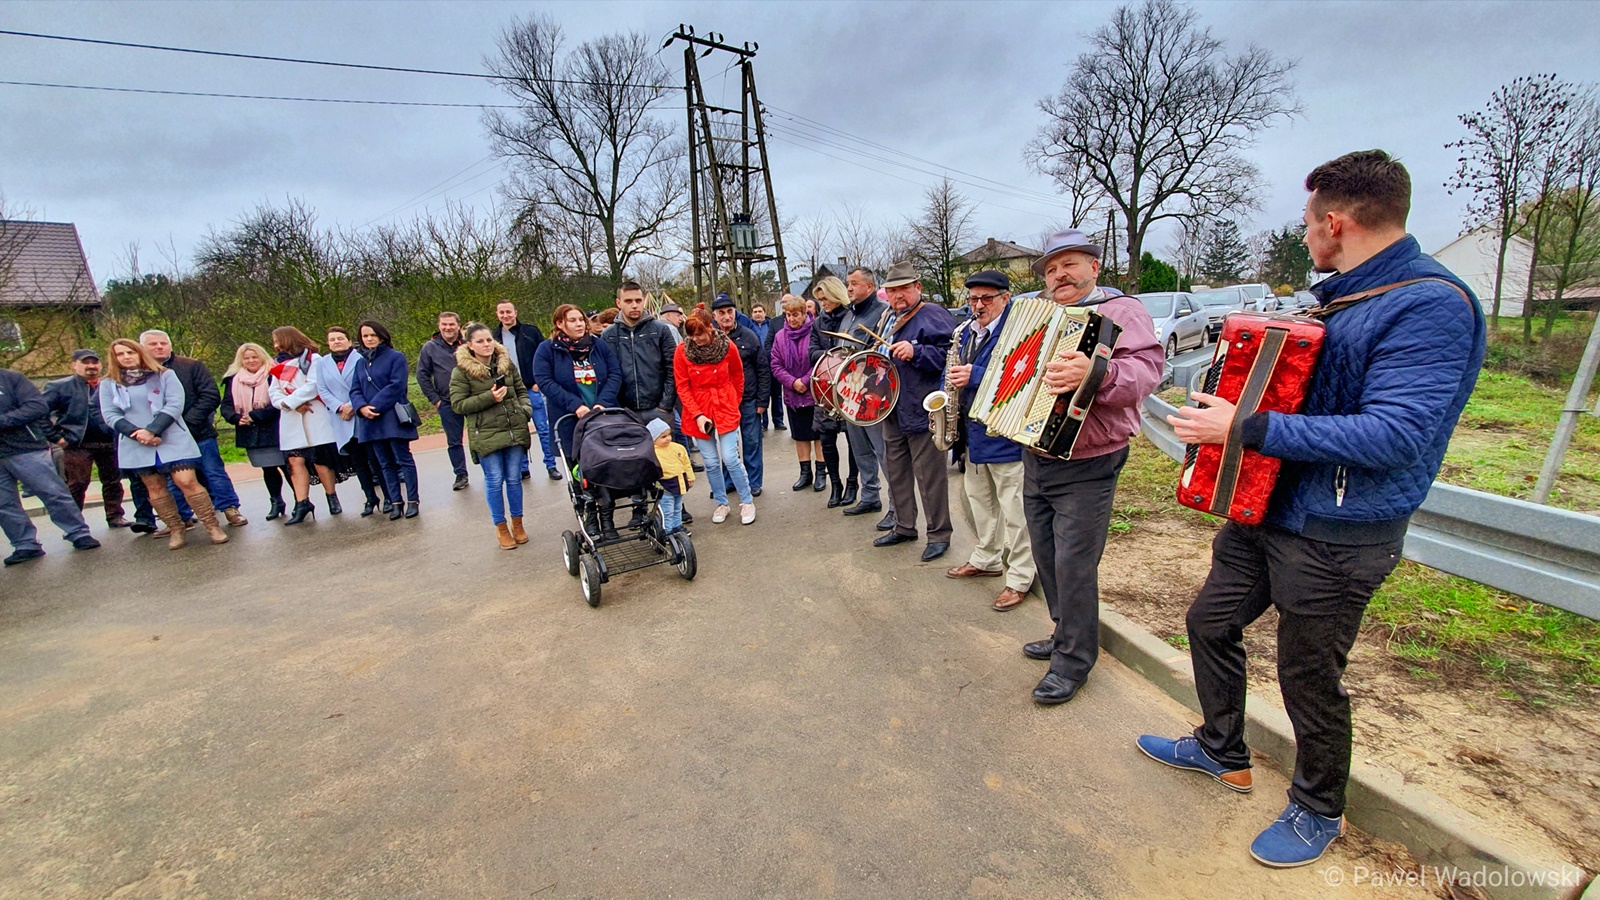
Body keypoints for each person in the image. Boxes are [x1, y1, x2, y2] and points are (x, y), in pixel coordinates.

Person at [1138, 151, 1487, 869]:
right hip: (1269, 509)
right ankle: (1220, 748)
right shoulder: (1342, 295)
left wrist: (1247, 427)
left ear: (1335, 222)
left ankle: (1319, 806)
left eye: (1307, 225)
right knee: (1209, 620)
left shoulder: (1430, 305)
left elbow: (1398, 435)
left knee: (1307, 673)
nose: (1304, 239)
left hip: (1340, 531)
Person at [1011, 228, 1162, 707]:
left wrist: (1096, 373)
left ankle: (1074, 661)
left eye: (1069, 264)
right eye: (1052, 269)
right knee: (1047, 557)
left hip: (1090, 459)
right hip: (1037, 455)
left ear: (1094, 267)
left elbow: (1147, 372)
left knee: (1074, 564)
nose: (1060, 275)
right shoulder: (1041, 315)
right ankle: (1065, 636)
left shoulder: (1121, 312)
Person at [943, 271, 1036, 612]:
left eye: (986, 299)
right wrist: (945, 391)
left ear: (1005, 298)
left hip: (1005, 437)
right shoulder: (966, 332)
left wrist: (976, 376)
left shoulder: (1018, 331)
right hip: (973, 437)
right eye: (972, 300)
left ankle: (1020, 578)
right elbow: (952, 369)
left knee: (1016, 514)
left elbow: (1024, 376)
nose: (978, 306)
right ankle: (986, 558)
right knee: (980, 504)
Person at [865, 261, 957, 562]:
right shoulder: (887, 318)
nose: (898, 295)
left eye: (904, 288)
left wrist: (917, 352)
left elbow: (951, 357)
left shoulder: (933, 315)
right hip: (890, 408)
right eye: (892, 290)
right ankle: (904, 526)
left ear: (918, 287)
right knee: (896, 472)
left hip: (922, 409)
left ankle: (939, 534)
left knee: (930, 477)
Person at [100, 339, 231, 548]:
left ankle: (212, 525)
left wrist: (153, 430)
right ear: (113, 358)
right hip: (136, 442)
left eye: (130, 352)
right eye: (120, 354)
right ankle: (176, 528)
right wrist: (138, 434)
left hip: (171, 436)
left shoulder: (164, 375)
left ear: (140, 353)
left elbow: (175, 403)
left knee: (186, 481)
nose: (126, 357)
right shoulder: (109, 383)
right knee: (155, 487)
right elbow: (109, 414)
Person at [138, 329, 247, 527]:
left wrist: (185, 423)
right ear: (142, 348)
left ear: (170, 345)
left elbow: (210, 396)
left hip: (198, 432)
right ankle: (182, 517)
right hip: (164, 438)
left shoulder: (191, 366)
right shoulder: (139, 375)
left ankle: (230, 508)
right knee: (173, 480)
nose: (159, 347)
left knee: (214, 472)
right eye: (153, 344)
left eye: (163, 343)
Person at [1, 366, 99, 565]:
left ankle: (78, 532)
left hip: (25, 447)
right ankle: (25, 544)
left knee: (52, 492)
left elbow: (37, 406)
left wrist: (3, 421)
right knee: (4, 504)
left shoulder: (11, 379)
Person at [450, 322, 534, 550]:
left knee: (514, 479)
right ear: (470, 345)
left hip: (513, 428)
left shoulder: (507, 364)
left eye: (488, 340)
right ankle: (501, 527)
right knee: (495, 480)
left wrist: (525, 411)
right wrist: (490, 397)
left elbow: (522, 390)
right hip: (485, 434)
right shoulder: (461, 372)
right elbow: (458, 404)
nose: (486, 345)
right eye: (480, 341)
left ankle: (518, 523)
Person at [675, 309, 755, 525]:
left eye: (699, 334)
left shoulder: (728, 346)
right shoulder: (682, 351)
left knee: (730, 457)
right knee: (710, 461)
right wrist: (698, 415)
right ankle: (722, 502)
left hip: (724, 403)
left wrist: (733, 402)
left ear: (710, 328)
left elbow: (738, 376)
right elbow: (682, 386)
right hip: (697, 408)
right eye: (690, 335)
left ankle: (746, 501)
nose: (695, 339)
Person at [43, 348, 130, 528]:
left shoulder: (111, 384)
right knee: (77, 483)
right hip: (77, 443)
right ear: (74, 365)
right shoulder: (59, 387)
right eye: (85, 363)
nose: (91, 366)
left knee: (113, 480)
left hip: (108, 441)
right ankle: (74, 523)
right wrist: (56, 437)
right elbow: (39, 414)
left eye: (94, 362)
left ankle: (115, 516)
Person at [268, 326, 343, 525]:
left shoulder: (314, 360)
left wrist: (292, 401)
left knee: (320, 461)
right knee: (294, 462)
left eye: (278, 340)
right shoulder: (277, 364)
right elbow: (274, 391)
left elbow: (314, 385)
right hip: (291, 418)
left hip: (314, 414)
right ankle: (302, 503)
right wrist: (287, 404)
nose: (275, 345)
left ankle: (331, 496)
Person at [312, 326, 388, 517]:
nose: (336, 342)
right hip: (342, 418)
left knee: (375, 459)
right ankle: (371, 498)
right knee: (359, 463)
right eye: (332, 339)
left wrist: (353, 405)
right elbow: (322, 390)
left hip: (362, 413)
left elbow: (367, 384)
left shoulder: (361, 358)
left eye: (340, 338)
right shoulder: (322, 364)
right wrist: (340, 407)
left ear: (348, 341)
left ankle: (388, 496)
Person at [349, 320, 421, 520]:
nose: (369, 339)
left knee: (403, 459)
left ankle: (413, 500)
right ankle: (396, 502)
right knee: (384, 463)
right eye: (365, 336)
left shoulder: (395, 357)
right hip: (370, 420)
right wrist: (361, 407)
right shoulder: (360, 363)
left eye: (373, 335)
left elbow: (397, 385)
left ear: (381, 335)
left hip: (391, 415)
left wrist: (375, 406)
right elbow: (354, 389)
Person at [838, 267, 892, 527]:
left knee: (883, 451)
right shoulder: (849, 313)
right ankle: (870, 496)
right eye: (847, 284)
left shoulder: (882, 312)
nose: (848, 288)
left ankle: (897, 505)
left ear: (869, 287)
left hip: (872, 393)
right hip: (850, 392)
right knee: (859, 449)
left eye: (854, 284)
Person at [534, 304, 622, 461]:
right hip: (569, 420)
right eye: (573, 320)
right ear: (560, 323)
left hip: (604, 417)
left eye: (581, 319)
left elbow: (615, 374)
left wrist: (603, 403)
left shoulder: (599, 345)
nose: (579, 324)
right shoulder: (547, 349)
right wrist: (575, 405)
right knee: (579, 473)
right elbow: (545, 382)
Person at [219, 342, 291, 520]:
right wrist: (236, 418)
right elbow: (226, 405)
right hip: (250, 432)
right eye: (246, 358)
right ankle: (276, 502)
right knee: (268, 469)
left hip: (275, 428)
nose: (251, 361)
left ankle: (301, 501)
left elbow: (280, 402)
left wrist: (256, 415)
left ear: (261, 357)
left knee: (288, 467)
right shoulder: (233, 379)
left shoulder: (274, 374)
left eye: (254, 357)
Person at [492, 299, 558, 481]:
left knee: (543, 429)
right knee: (518, 431)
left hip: (532, 388)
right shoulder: (493, 337)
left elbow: (545, 357)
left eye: (508, 312)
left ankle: (551, 465)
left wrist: (539, 381)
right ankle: (522, 468)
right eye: (502, 312)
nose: (506, 315)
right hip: (509, 391)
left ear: (515, 312)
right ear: (497, 314)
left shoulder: (530, 332)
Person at [808, 276, 861, 507]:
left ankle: (852, 483)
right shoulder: (819, 321)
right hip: (825, 388)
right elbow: (811, 351)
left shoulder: (851, 316)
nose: (823, 304)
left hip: (850, 386)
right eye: (819, 300)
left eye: (825, 299)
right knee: (826, 438)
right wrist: (831, 358)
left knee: (854, 440)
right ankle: (836, 484)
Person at [710, 295, 770, 498]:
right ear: (714, 315)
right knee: (727, 445)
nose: (726, 316)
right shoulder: (708, 338)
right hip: (722, 403)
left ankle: (754, 482)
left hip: (749, 399)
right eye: (721, 313)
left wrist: (763, 400)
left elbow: (763, 368)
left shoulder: (749, 336)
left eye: (729, 311)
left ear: (735, 312)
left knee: (752, 442)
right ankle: (730, 482)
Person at [769, 294, 824, 493]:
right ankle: (805, 473)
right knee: (800, 436)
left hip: (814, 392)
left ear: (804, 314)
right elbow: (775, 364)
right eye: (788, 315)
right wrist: (792, 382)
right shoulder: (780, 336)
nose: (791, 319)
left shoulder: (815, 332)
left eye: (795, 315)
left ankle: (820, 473)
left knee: (818, 435)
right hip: (793, 394)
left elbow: (820, 360)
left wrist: (805, 381)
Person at [416, 312, 469, 492]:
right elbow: (422, 375)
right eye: (444, 324)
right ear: (439, 326)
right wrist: (435, 400)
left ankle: (490, 469)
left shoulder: (468, 344)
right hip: (447, 402)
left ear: (458, 326)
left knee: (483, 434)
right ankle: (461, 474)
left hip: (472, 398)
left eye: (451, 324)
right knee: (454, 441)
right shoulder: (429, 348)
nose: (448, 328)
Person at [648, 417, 693, 536]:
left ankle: (677, 526)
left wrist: (690, 477)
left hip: (679, 482)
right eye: (663, 437)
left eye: (669, 435)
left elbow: (686, 463)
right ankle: (668, 531)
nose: (668, 438)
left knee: (678, 507)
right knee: (667, 510)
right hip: (664, 485)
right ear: (653, 439)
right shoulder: (652, 452)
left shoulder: (677, 448)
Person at [749, 301, 784, 431]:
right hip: (757, 366)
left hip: (772, 364)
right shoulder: (749, 327)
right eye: (755, 312)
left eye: (760, 311)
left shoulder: (772, 325)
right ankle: (764, 423)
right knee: (761, 394)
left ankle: (778, 421)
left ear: (765, 313)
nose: (758, 314)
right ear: (752, 314)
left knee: (776, 394)